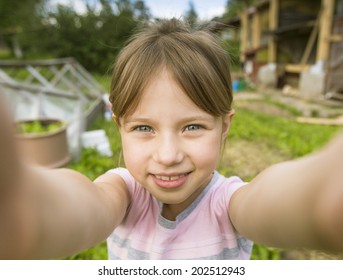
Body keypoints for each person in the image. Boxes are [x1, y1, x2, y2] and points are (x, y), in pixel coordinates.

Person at [0, 18, 342, 260]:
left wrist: (317, 199)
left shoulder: (229, 203)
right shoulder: (122, 193)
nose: (167, 155)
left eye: (192, 127)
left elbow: (268, 203)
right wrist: (29, 211)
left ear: (224, 127)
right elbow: (85, 206)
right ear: (120, 127)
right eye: (144, 128)